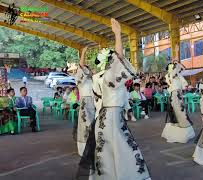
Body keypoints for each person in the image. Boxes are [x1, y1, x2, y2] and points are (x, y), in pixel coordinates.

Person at [77, 18, 151, 180]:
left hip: (107, 117)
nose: (118, 62)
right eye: (114, 60)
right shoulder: (109, 76)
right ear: (111, 63)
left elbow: (118, 59)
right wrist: (118, 34)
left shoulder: (104, 77)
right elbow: (119, 57)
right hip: (110, 119)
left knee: (110, 151)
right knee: (121, 148)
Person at [161, 59, 195, 143]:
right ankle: (177, 134)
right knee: (177, 112)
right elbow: (178, 70)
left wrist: (176, 61)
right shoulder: (168, 75)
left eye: (172, 66)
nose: (172, 68)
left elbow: (183, 69)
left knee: (181, 112)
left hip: (179, 94)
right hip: (174, 95)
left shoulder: (178, 75)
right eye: (170, 67)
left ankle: (184, 132)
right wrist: (175, 61)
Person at [74, 46, 95, 157]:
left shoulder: (92, 79)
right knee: (86, 126)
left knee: (94, 125)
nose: (89, 70)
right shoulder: (81, 78)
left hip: (93, 102)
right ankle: (85, 149)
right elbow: (81, 65)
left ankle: (93, 147)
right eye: (87, 69)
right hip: (86, 104)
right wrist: (83, 53)